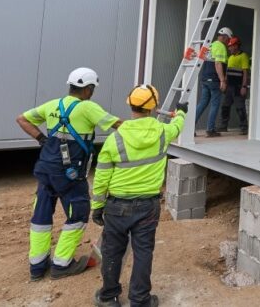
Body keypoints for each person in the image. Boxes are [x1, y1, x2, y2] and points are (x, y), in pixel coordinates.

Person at [15, 67, 121, 281]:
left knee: (41, 216)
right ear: (88, 89)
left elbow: (22, 119)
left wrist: (42, 139)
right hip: (69, 175)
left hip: (45, 170)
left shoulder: (53, 105)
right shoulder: (88, 108)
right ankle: (61, 264)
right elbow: (119, 126)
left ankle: (37, 266)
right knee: (78, 214)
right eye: (92, 89)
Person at [91, 85, 186, 307]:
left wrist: (97, 206)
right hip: (147, 206)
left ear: (130, 104)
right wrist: (181, 111)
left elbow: (101, 177)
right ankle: (140, 299)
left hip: (117, 206)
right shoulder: (162, 133)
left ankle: (108, 296)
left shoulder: (115, 139)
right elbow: (178, 125)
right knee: (143, 252)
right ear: (153, 108)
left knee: (113, 251)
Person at [196, 26, 232, 137]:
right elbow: (218, 63)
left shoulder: (210, 45)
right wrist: (222, 80)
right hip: (214, 80)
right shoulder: (221, 47)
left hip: (205, 78)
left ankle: (189, 128)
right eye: (228, 39)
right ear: (225, 37)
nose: (228, 42)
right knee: (215, 104)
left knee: (202, 103)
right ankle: (210, 129)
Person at [217, 36, 250, 134]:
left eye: (231, 46)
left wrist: (244, 87)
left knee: (240, 107)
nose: (229, 48)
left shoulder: (243, 56)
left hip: (238, 87)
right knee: (225, 107)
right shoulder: (230, 57)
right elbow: (227, 72)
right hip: (229, 87)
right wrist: (225, 83)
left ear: (236, 46)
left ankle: (244, 128)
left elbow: (245, 72)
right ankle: (223, 126)